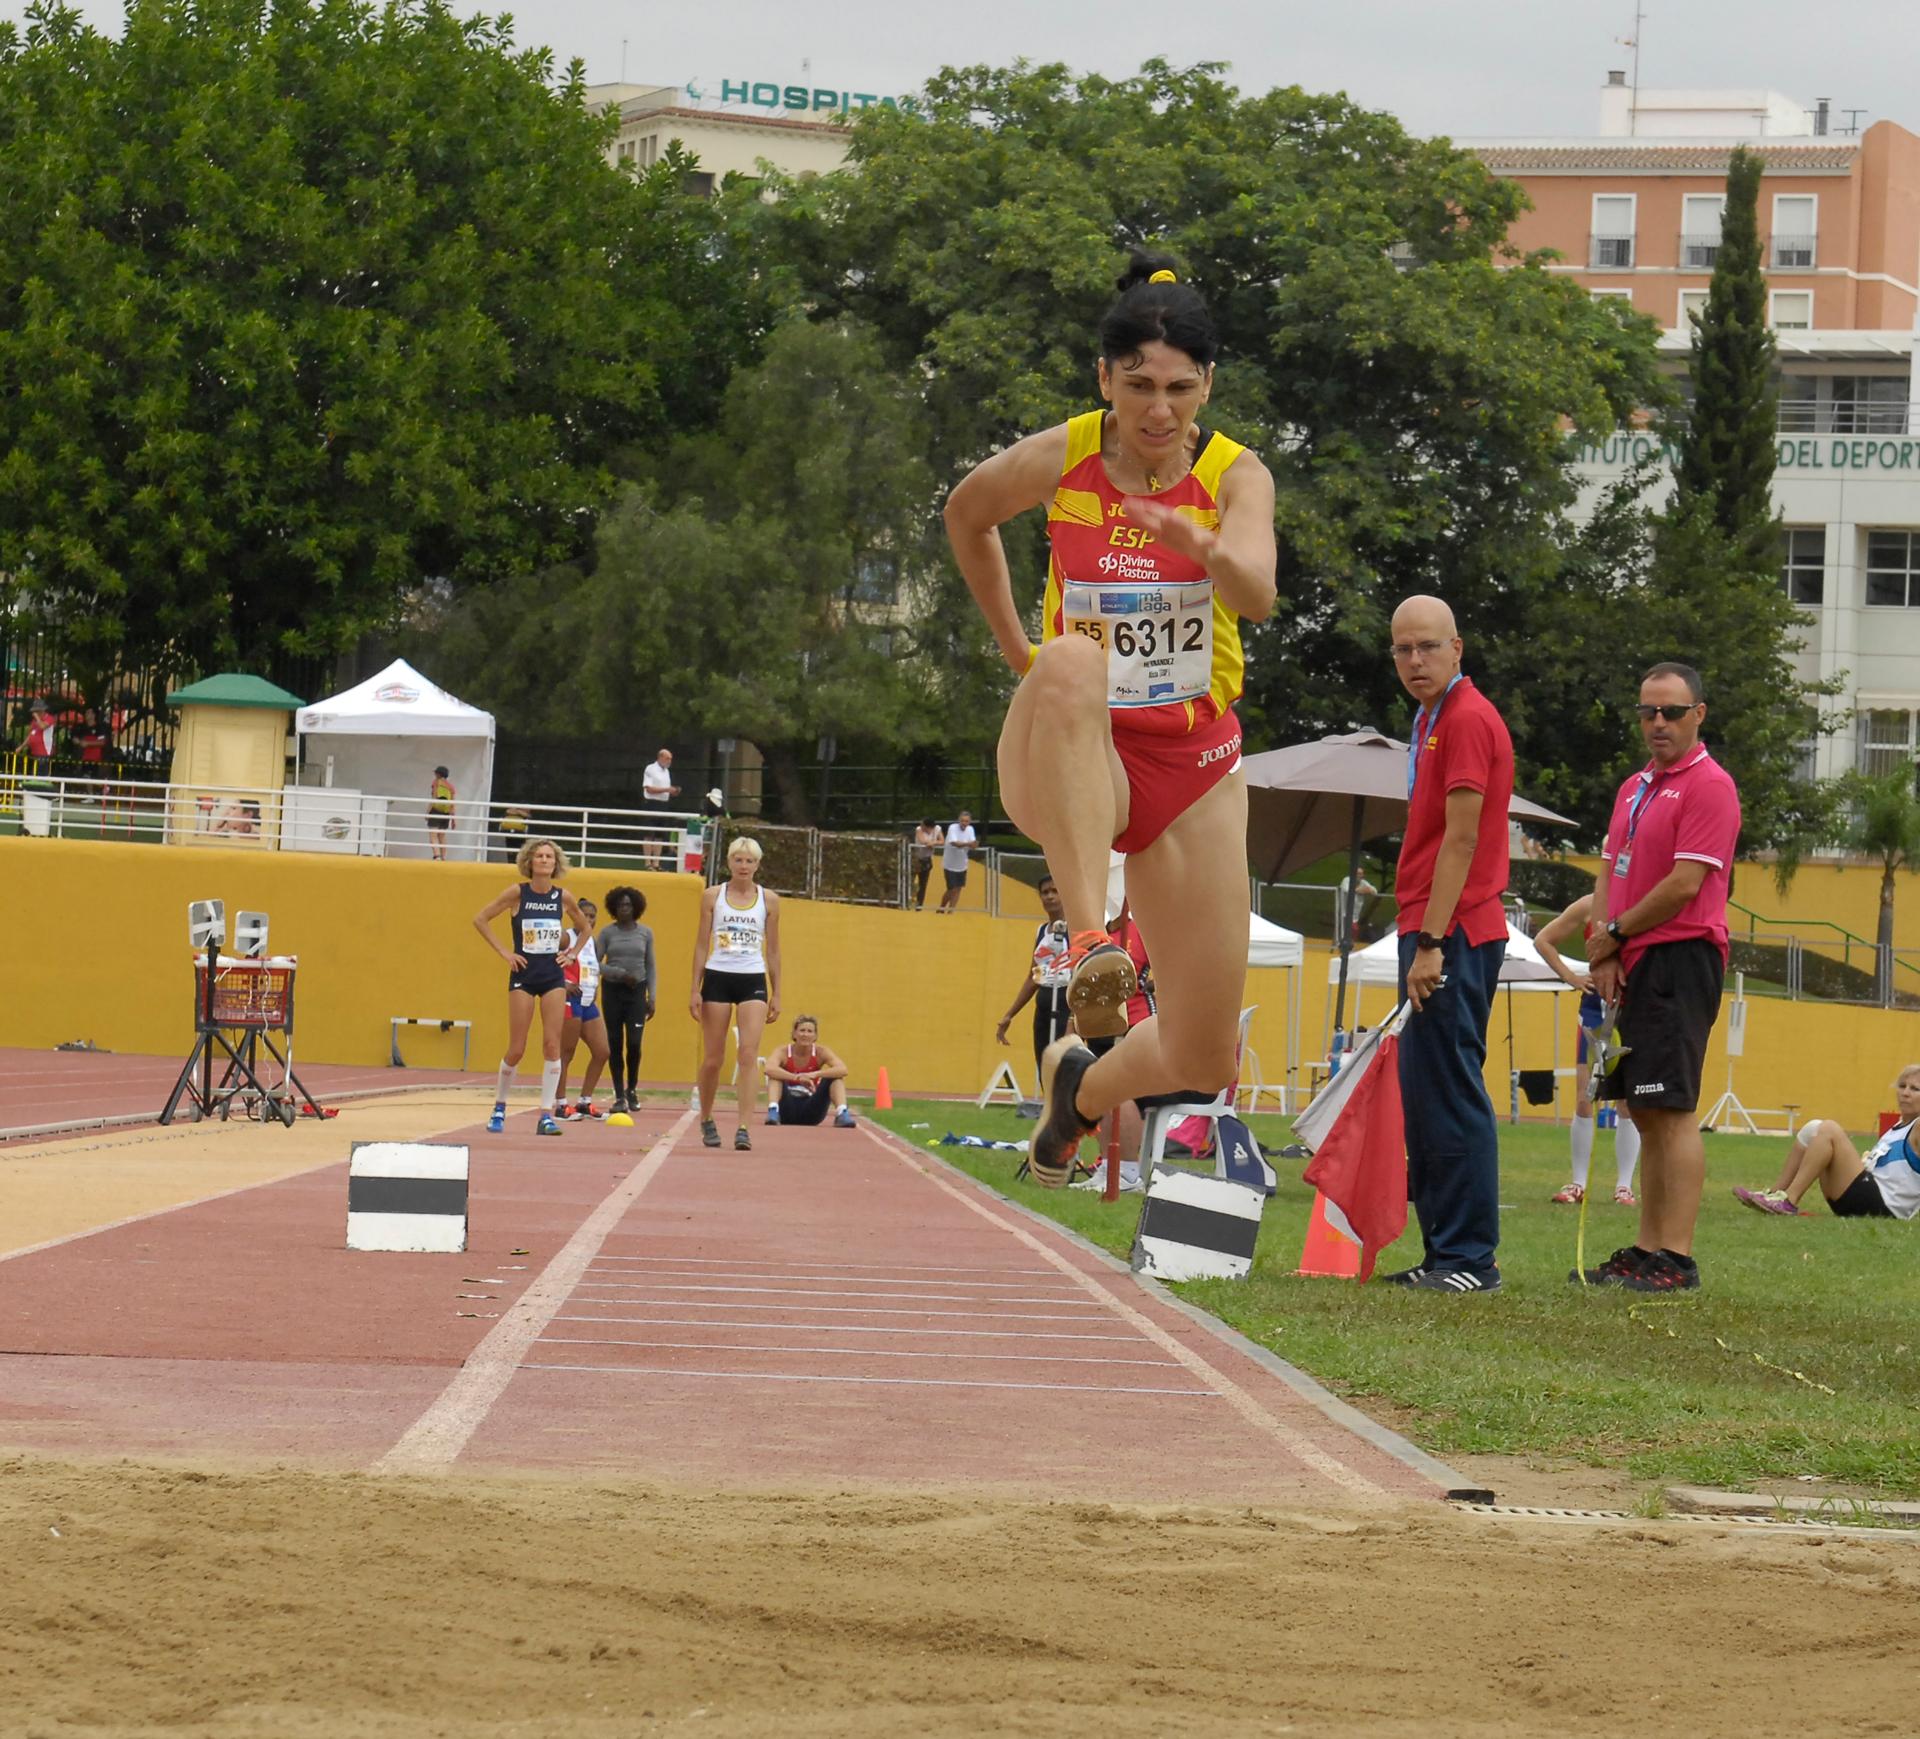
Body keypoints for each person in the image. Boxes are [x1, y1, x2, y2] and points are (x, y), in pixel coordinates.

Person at [943, 251, 1276, 1186]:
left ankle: (1080, 1091)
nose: (1159, 410)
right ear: (1104, 379)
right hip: (1071, 744)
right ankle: (1091, 941)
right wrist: (1019, 648)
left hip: (1195, 762)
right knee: (1072, 658)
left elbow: (1257, 593)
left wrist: (1203, 545)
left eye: (1178, 388)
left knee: (1206, 1057)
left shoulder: (1237, 476)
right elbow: (967, 514)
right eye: (1138, 386)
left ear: (1208, 384)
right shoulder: (1066, 453)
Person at [1581, 662, 1743, 1293]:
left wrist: (1617, 934)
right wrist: (1606, 951)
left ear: (1698, 714)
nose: (1657, 723)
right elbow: (1608, 872)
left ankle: (1676, 1256)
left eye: (1671, 712)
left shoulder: (1709, 786)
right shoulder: (1634, 787)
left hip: (1680, 956)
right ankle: (1646, 1249)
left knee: (1672, 1109)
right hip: (1633, 956)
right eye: (1647, 711)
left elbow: (1684, 884)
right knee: (1643, 1109)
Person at [1382, 595, 1515, 1295]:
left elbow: (1461, 840)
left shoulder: (1465, 719)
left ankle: (1471, 1257)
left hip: (1454, 927)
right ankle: (1444, 1252)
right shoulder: (1430, 717)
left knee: (1452, 1089)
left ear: (1457, 648)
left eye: (1427, 646)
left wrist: (1431, 941)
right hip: (1431, 921)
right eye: (1403, 649)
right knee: (1426, 1092)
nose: (1414, 661)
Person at [473, 838, 592, 1137]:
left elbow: (585, 927)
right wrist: (505, 952)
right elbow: (481, 919)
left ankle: (546, 1115)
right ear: (529, 861)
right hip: (524, 976)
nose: (544, 860)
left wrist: (573, 953)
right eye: (539, 856)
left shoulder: (562, 897)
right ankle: (499, 1107)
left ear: (556, 863)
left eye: (549, 856)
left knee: (552, 1045)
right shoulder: (518, 893)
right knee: (517, 1047)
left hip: (553, 976)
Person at [1533, 892, 1642, 1207]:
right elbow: (1544, 940)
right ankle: (1578, 1182)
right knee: (1585, 1097)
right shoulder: (1590, 904)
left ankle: (1624, 1185)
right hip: (1595, 1008)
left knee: (1626, 1102)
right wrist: (1571, 977)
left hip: (1632, 1005)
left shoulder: (1644, 900)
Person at [690, 836, 781, 1151]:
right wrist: (694, 989)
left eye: (750, 861)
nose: (744, 866)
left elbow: (773, 950)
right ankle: (706, 1116)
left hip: (752, 977)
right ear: (729, 862)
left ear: (758, 864)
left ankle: (744, 1126)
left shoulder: (768, 900)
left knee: (747, 1054)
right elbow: (702, 944)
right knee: (714, 1058)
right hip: (718, 976)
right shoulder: (713, 896)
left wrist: (777, 992)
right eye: (738, 860)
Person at [1735, 1066, 1920, 1219]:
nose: (1905, 1093)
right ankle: (1775, 1193)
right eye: (1902, 1086)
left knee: (1829, 1129)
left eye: (1914, 1089)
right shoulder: (1898, 1127)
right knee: (1813, 1128)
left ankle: (1789, 1201)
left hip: (1885, 1208)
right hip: (1865, 1197)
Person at [995, 874, 1072, 1095]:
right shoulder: (1041, 931)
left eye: (1054, 891)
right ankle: (1048, 1114)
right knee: (1043, 1063)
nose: (1049, 896)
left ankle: (1064, 1116)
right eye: (1045, 892)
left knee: (1062, 1064)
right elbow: (1033, 977)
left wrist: (1074, 1017)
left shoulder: (1074, 928)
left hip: (1065, 1003)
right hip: (1044, 1005)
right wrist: (1010, 1014)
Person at [597, 885, 656, 1114]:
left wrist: (653, 995)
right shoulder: (607, 933)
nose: (624, 909)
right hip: (613, 990)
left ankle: (632, 1089)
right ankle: (619, 1095)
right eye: (620, 905)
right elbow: (595, 963)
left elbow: (650, 965)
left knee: (634, 1042)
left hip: (637, 992)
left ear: (636, 907)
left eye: (628, 905)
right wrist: (618, 973)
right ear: (613, 907)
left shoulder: (645, 933)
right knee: (614, 1043)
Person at [555, 898, 610, 1119]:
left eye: (592, 916)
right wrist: (563, 983)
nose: (588, 919)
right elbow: (547, 957)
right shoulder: (567, 936)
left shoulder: (591, 941)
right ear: (574, 916)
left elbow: (591, 967)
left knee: (602, 1051)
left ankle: (585, 1102)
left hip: (588, 1001)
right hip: (570, 999)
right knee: (566, 1052)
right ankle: (560, 1103)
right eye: (584, 915)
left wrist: (594, 985)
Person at [764, 1015, 857, 1128]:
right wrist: (796, 1077)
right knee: (774, 1076)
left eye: (810, 1031)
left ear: (815, 1036)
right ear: (794, 1034)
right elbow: (768, 1069)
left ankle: (842, 1113)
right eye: (802, 1030)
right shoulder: (783, 1051)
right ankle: (773, 1110)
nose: (805, 1034)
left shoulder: (821, 1052)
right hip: (786, 1109)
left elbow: (843, 1069)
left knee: (836, 1077)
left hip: (811, 1110)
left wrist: (815, 1074)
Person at [641, 749, 680, 867]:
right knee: (648, 833)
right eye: (667, 758)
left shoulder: (666, 771)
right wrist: (667, 789)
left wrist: (672, 791)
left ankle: (656, 863)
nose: (669, 761)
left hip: (663, 804)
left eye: (671, 759)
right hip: (651, 803)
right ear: (660, 757)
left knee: (660, 834)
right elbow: (649, 789)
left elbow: (664, 788)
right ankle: (648, 862)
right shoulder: (650, 769)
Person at [936, 811, 978, 912]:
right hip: (949, 864)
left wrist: (971, 844)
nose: (964, 823)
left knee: (959, 888)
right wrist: (968, 844)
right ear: (959, 820)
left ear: (969, 822)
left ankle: (951, 910)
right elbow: (955, 843)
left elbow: (974, 844)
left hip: (962, 864)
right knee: (952, 888)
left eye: (966, 821)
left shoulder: (970, 829)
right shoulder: (952, 828)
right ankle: (942, 907)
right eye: (962, 821)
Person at [911, 819, 944, 909]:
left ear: (927, 826)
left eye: (923, 825)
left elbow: (942, 841)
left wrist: (933, 842)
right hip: (916, 859)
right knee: (910, 880)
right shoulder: (919, 829)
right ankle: (908, 900)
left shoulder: (937, 829)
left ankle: (919, 905)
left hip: (927, 859)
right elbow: (922, 840)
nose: (921, 826)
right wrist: (931, 843)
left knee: (923, 883)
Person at [427, 765, 455, 861]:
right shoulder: (451, 787)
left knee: (433, 835)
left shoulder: (436, 783)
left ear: (438, 774)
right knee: (442, 836)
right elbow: (452, 804)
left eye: (435, 773)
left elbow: (434, 797)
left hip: (436, 811)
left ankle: (436, 856)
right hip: (446, 813)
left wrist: (428, 811)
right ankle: (443, 857)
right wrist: (453, 819)